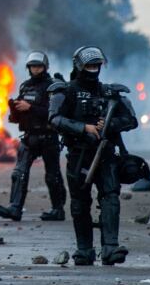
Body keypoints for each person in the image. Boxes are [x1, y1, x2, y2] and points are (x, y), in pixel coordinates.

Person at [49, 46, 138, 266]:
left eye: (96, 65)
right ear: (79, 66)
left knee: (110, 197)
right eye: (89, 65)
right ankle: (84, 250)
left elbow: (131, 120)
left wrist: (108, 125)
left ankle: (110, 248)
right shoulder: (66, 92)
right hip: (79, 155)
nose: (93, 69)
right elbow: (55, 119)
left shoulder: (109, 92)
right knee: (80, 203)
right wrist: (84, 128)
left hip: (106, 154)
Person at [0, 51, 66, 222]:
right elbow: (19, 114)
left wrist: (30, 108)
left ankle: (58, 210)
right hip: (29, 137)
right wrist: (14, 109)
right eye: (33, 66)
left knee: (52, 175)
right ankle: (15, 208)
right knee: (19, 173)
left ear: (45, 67)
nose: (36, 69)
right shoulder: (25, 86)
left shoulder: (53, 87)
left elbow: (54, 113)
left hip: (48, 137)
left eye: (39, 66)